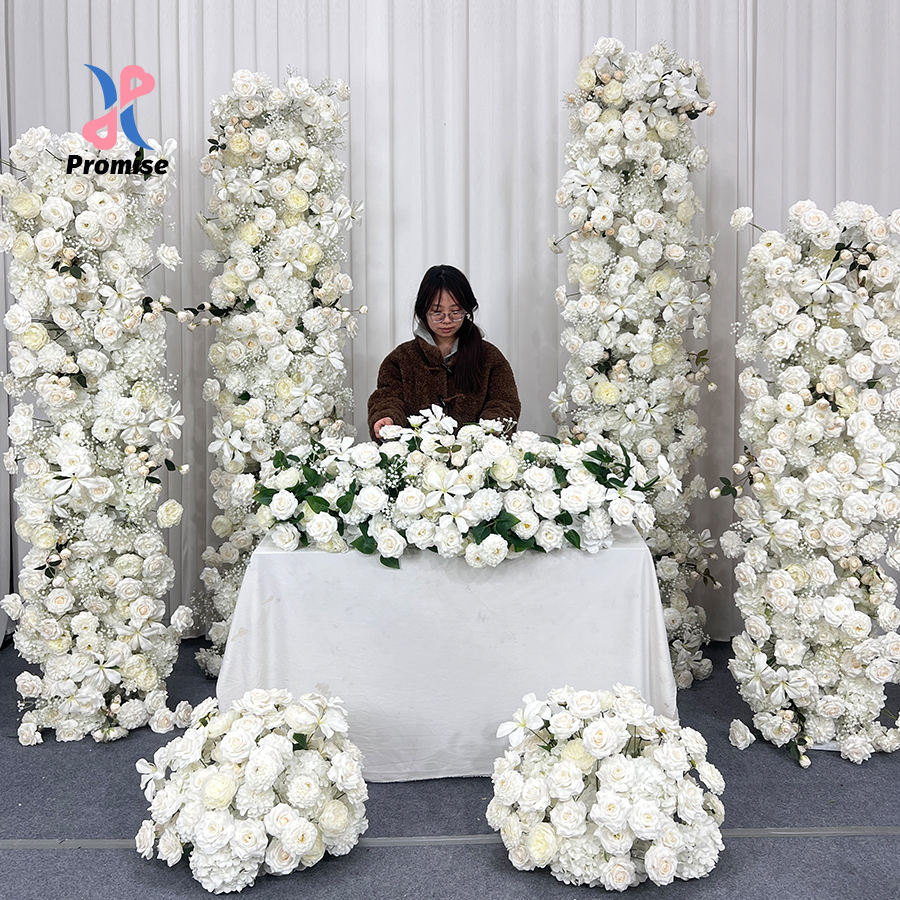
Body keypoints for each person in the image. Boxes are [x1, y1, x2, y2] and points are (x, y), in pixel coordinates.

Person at [367, 264, 521, 440]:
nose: (447, 320)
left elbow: (504, 402)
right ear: (423, 311)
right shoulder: (400, 359)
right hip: (416, 455)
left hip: (476, 454)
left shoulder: (489, 357)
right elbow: (388, 399)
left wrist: (491, 427)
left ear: (467, 310)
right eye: (437, 312)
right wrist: (387, 418)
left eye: (455, 312)